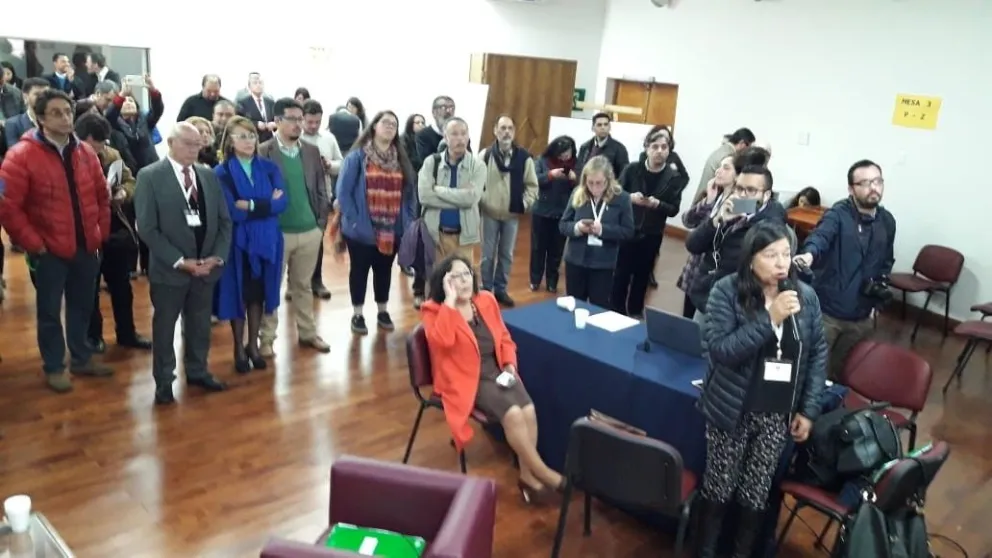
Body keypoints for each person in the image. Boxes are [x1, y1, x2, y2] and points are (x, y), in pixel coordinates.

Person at [695, 221, 827, 558]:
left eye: (786, 253)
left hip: (776, 414)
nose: (782, 262)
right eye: (771, 255)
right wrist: (770, 319)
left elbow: (816, 355)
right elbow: (722, 350)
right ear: (751, 258)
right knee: (719, 488)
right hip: (733, 409)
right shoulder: (726, 291)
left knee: (755, 494)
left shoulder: (805, 297)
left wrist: (808, 410)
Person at [421, 254, 564, 503]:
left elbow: (504, 338)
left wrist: (509, 365)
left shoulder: (486, 300)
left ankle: (527, 476)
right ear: (445, 282)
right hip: (465, 378)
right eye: (456, 276)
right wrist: (450, 303)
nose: (464, 281)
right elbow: (442, 341)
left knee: (528, 409)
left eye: (467, 274)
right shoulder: (434, 311)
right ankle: (541, 471)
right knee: (513, 414)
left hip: (496, 371)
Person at [0, 88, 112, 392]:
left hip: (86, 246)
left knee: (82, 306)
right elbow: (8, 208)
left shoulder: (85, 152)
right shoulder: (21, 155)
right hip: (48, 250)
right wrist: (34, 243)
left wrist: (100, 231)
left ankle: (81, 357)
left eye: (68, 111)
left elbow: (102, 196)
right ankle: (53, 366)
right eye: (56, 113)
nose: (65, 118)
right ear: (40, 118)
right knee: (49, 312)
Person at [133, 122, 233, 405]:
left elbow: (224, 221)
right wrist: (180, 261)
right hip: (170, 270)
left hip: (206, 268)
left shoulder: (208, 175)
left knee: (200, 325)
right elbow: (147, 228)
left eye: (197, 144)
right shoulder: (150, 176)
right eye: (187, 143)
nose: (193, 149)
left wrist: (217, 257)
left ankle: (198, 370)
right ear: (170, 143)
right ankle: (164, 380)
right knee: (165, 327)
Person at [793, 160, 895, 380]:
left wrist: (877, 303)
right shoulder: (838, 214)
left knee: (841, 374)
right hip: (827, 313)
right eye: (865, 183)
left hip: (862, 316)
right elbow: (820, 237)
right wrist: (809, 255)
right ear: (851, 189)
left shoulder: (887, 222)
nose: (873, 188)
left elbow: (886, 262)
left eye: (877, 181)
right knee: (812, 372)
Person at [213, 116, 287, 373]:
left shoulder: (269, 167)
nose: (249, 141)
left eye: (252, 135)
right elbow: (233, 212)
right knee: (239, 295)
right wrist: (266, 203)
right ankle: (238, 347)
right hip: (238, 244)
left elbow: (282, 203)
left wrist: (252, 204)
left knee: (258, 295)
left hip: (267, 241)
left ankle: (253, 345)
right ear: (230, 142)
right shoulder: (221, 173)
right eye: (242, 136)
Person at [336, 110, 416, 334]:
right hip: (361, 229)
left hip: (392, 229)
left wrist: (408, 221)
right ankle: (358, 314)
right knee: (359, 271)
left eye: (394, 124)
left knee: (384, 270)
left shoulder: (401, 160)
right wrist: (355, 221)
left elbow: (410, 194)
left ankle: (382, 310)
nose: (390, 126)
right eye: (385, 122)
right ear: (373, 127)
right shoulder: (357, 157)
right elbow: (343, 193)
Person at [612, 128, 686, 318]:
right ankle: (615, 310)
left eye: (664, 147)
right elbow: (615, 193)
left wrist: (658, 204)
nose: (659, 151)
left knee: (643, 274)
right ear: (646, 148)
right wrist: (630, 197)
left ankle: (635, 311)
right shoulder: (632, 169)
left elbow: (674, 209)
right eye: (655, 146)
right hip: (627, 228)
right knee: (621, 273)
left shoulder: (673, 177)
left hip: (652, 232)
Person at [558, 155, 634, 308]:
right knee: (574, 306)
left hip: (603, 264)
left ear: (608, 180)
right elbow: (563, 225)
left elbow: (628, 231)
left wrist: (603, 230)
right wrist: (577, 228)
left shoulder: (622, 198)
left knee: (598, 308)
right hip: (576, 261)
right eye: (590, 183)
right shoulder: (578, 193)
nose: (594, 188)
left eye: (599, 183)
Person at [530, 135, 578, 293]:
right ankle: (535, 280)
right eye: (562, 152)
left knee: (556, 250)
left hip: (562, 213)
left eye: (568, 152)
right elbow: (534, 180)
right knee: (538, 248)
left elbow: (582, 186)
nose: (565, 156)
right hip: (542, 211)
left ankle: (552, 281)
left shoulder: (576, 164)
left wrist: (574, 179)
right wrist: (551, 175)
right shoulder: (542, 161)